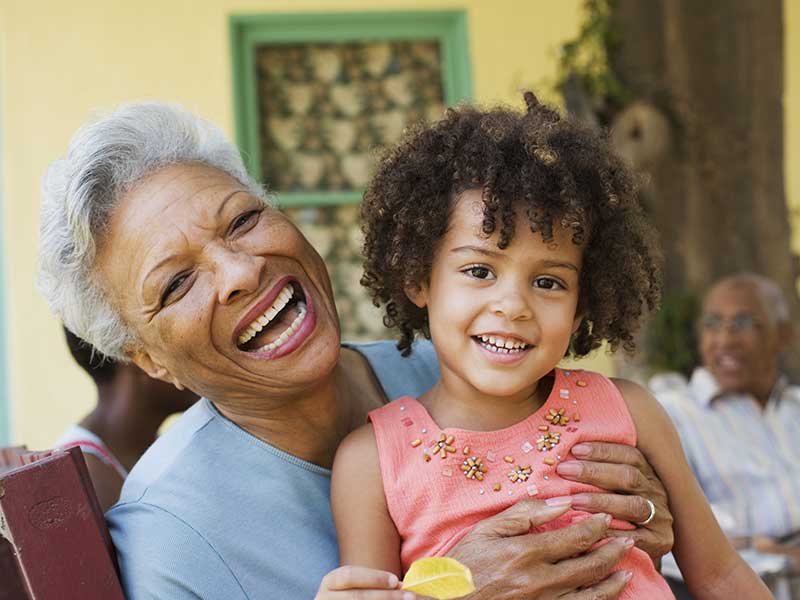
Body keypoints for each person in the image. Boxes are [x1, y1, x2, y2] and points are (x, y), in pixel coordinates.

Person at [38, 101, 675, 600]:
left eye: (242, 220)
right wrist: (450, 591)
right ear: (149, 360)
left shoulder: (457, 369)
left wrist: (640, 518)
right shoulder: (173, 536)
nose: (239, 271)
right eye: (177, 283)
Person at [331, 93, 771, 599]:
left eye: (548, 282)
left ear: (583, 303)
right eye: (479, 270)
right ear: (418, 278)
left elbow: (719, 574)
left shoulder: (629, 412)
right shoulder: (371, 462)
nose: (513, 305)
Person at [651, 273, 800, 564]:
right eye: (712, 324)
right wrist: (770, 551)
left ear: (783, 335)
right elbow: (668, 538)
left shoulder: (795, 406)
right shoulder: (672, 414)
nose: (725, 339)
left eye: (743, 323)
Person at [55, 326, 198, 511]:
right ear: (139, 358)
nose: (199, 363)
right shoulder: (86, 480)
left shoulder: (157, 448)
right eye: (179, 346)